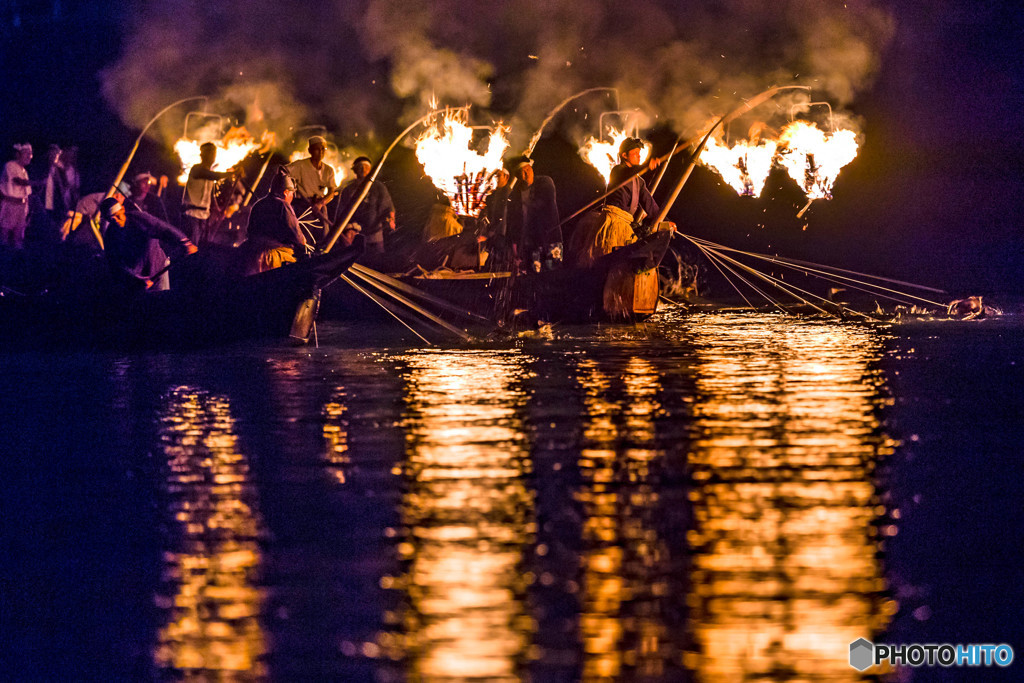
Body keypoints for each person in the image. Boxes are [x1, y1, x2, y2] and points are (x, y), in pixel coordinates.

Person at [568, 137, 660, 267]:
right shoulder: (618, 171)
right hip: (612, 223)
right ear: (624, 155)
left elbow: (649, 204)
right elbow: (630, 172)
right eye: (635, 153)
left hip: (626, 226)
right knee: (607, 261)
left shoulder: (640, 182)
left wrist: (664, 220)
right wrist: (646, 165)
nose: (639, 157)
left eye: (639, 154)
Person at [101, 195, 197, 291]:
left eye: (118, 216)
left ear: (122, 209)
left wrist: (184, 242)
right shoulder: (111, 236)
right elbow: (116, 262)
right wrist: (136, 279)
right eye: (112, 219)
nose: (117, 221)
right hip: (137, 279)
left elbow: (162, 228)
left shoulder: (138, 218)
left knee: (161, 300)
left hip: (158, 267)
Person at [502, 154, 562, 272]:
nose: (526, 174)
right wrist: (515, 246)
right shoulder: (515, 195)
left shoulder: (545, 182)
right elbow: (514, 221)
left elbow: (546, 202)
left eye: (528, 169)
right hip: (530, 240)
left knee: (553, 271)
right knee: (534, 273)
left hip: (549, 236)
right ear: (518, 176)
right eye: (522, 172)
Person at [240, 170, 308, 274]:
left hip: (249, 253)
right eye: (292, 193)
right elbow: (297, 237)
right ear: (286, 193)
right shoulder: (283, 205)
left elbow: (249, 231)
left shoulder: (259, 204)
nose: (292, 197)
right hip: (270, 258)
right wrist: (303, 245)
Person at [336, 156, 394, 255]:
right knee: (356, 263)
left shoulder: (378, 187)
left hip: (375, 235)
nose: (363, 169)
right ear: (354, 170)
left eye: (366, 167)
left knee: (377, 262)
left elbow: (387, 207)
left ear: (371, 170)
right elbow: (341, 211)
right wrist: (348, 229)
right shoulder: (348, 190)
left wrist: (390, 218)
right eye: (360, 167)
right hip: (354, 235)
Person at [285, 135, 337, 241]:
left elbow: (332, 192)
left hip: (320, 206)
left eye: (323, 149)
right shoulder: (300, 165)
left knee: (323, 237)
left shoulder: (328, 170)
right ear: (310, 150)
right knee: (304, 236)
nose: (321, 152)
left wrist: (320, 204)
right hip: (303, 206)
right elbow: (283, 171)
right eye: (317, 149)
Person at [181, 142, 233, 245]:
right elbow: (214, 176)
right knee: (190, 247)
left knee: (201, 247)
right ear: (202, 155)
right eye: (209, 152)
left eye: (214, 153)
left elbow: (211, 194)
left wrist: (218, 209)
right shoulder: (197, 169)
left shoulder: (210, 173)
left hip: (204, 217)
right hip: (192, 216)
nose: (212, 155)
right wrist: (233, 173)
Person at [0, 143, 36, 249]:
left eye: (30, 154)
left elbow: (27, 192)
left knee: (19, 234)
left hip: (21, 206)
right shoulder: (10, 165)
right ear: (18, 154)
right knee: (5, 233)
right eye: (26, 153)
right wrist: (37, 183)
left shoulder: (24, 171)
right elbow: (18, 181)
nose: (29, 156)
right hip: (11, 205)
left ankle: (17, 259)